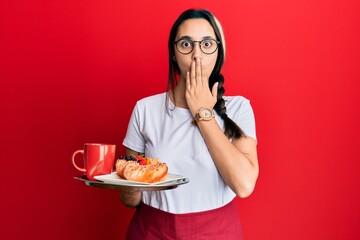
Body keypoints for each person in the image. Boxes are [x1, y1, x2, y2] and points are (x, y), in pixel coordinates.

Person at [119, 8, 259, 239]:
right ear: (174, 53)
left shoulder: (239, 108)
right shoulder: (145, 109)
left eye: (206, 44)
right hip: (152, 231)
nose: (197, 55)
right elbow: (129, 200)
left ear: (218, 52)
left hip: (218, 232)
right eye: (186, 44)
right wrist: (129, 186)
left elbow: (243, 186)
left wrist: (202, 111)